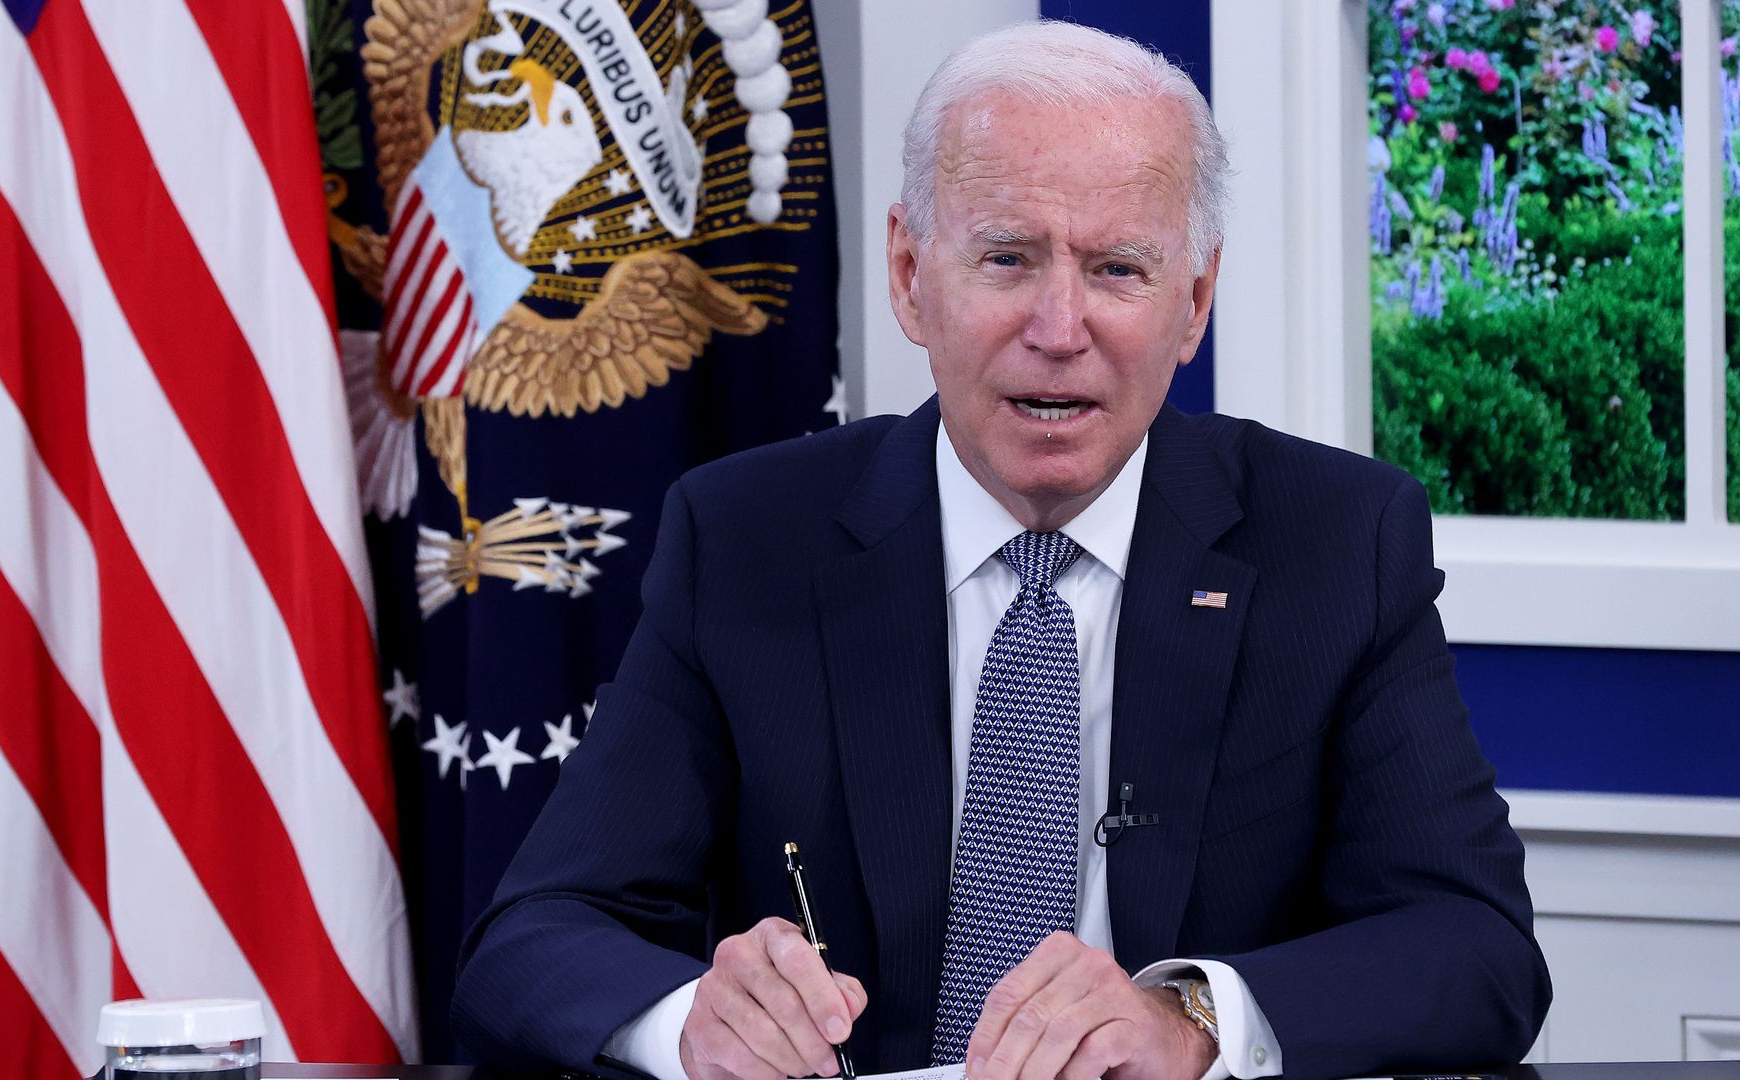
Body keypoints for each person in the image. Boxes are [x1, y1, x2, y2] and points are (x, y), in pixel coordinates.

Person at [451, 20, 1552, 1080]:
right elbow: (533, 938)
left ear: (1194, 302)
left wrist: (1195, 1023)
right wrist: (695, 1024)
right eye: (1008, 258)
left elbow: (1478, 948)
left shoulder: (1338, 540)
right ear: (908, 272)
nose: (1060, 329)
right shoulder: (744, 538)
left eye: (1118, 269)